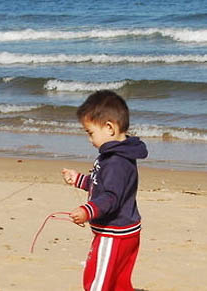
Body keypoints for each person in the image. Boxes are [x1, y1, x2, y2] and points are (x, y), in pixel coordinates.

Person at [61, 90, 148, 291]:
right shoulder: (116, 155)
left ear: (109, 127)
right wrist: (79, 179)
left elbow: (110, 197)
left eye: (90, 133)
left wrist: (87, 210)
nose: (90, 139)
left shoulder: (116, 161)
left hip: (113, 234)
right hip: (126, 231)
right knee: (118, 282)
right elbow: (102, 184)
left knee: (97, 282)